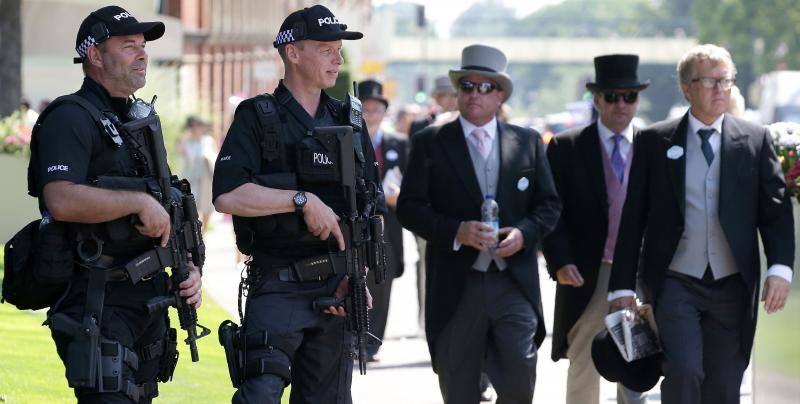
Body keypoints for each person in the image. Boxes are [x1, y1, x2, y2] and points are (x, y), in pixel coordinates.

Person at [28, 6, 202, 402]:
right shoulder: (69, 117)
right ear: (94, 55)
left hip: (149, 303)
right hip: (99, 301)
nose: (142, 54)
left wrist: (190, 269)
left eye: (143, 46)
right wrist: (136, 203)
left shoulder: (140, 122)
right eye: (128, 46)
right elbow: (60, 198)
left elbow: (169, 203)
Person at [212, 5, 384, 404]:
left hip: (336, 289)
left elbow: (368, 207)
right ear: (293, 52)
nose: (337, 59)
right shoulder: (257, 116)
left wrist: (357, 275)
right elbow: (227, 194)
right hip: (278, 286)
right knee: (259, 396)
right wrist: (300, 200)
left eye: (338, 50)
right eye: (326, 50)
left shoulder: (350, 120)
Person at [609, 44, 794, 404]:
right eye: (710, 81)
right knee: (684, 370)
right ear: (687, 88)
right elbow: (633, 217)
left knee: (724, 383)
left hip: (732, 284)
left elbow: (775, 211)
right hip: (675, 280)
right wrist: (620, 287)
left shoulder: (755, 140)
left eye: (726, 80)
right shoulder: (654, 140)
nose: (720, 89)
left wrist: (780, 268)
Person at [397, 44, 561, 404]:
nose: (474, 94)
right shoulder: (430, 142)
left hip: (513, 281)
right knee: (459, 388)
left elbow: (549, 205)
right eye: (467, 86)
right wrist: (456, 231)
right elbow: (409, 208)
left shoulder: (527, 141)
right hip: (457, 284)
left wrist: (524, 234)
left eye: (485, 87)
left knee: (520, 377)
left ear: (500, 95)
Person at [542, 54, 650, 404]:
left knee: (638, 361)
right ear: (597, 99)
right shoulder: (567, 146)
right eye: (612, 96)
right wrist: (560, 261)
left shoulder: (654, 144)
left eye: (629, 96)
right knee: (584, 359)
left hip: (640, 271)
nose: (621, 104)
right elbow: (550, 211)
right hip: (587, 272)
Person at [358, 79, 408, 362]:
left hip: (388, 226)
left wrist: (399, 196)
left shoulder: (399, 144)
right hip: (357, 224)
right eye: (366, 108)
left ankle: (372, 343)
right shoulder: (347, 139)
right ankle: (353, 339)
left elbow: (412, 183)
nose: (371, 114)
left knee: (382, 283)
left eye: (376, 109)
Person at [178, 115, 217, 232]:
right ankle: (195, 232)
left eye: (198, 126)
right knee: (192, 206)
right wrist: (186, 136)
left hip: (207, 178)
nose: (196, 129)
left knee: (207, 207)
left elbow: (215, 156)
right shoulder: (186, 142)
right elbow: (181, 152)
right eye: (193, 127)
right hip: (191, 178)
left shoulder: (208, 141)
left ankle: (203, 232)